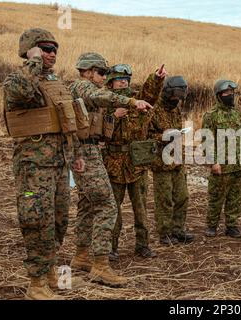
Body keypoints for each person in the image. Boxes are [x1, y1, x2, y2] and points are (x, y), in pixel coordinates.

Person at [3, 28, 85, 299]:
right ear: (31, 50)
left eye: (54, 49)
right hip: (33, 168)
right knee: (37, 221)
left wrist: (75, 157)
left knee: (59, 220)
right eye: (45, 48)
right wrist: (33, 62)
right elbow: (21, 91)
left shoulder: (55, 83)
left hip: (59, 164)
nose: (52, 53)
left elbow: (66, 124)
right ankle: (35, 282)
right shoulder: (19, 79)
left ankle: (50, 269)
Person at [69, 52, 151, 286]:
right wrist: (132, 101)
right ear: (87, 71)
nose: (104, 77)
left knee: (86, 204)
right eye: (102, 72)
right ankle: (101, 265)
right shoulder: (81, 86)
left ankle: (82, 255)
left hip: (87, 149)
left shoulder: (83, 89)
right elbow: (101, 96)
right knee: (106, 204)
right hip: (84, 152)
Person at [103, 63, 166, 260]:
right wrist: (113, 116)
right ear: (110, 83)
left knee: (141, 208)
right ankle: (111, 247)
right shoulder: (104, 103)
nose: (123, 82)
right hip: (113, 163)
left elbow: (149, 96)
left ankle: (142, 245)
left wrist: (156, 78)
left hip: (137, 163)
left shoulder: (136, 101)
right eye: (119, 79)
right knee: (113, 209)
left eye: (126, 79)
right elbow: (95, 131)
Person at [148, 76, 194, 245]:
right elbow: (146, 135)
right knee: (164, 200)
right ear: (167, 92)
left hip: (177, 159)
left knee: (183, 197)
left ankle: (178, 230)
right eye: (175, 96)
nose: (177, 100)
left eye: (180, 97)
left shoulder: (176, 108)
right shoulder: (154, 108)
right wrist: (164, 136)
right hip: (161, 162)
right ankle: (165, 233)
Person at [202, 79, 241, 238]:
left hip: (239, 165)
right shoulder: (211, 115)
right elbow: (206, 141)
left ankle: (232, 226)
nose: (230, 95)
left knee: (235, 197)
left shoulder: (238, 113)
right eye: (226, 93)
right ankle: (212, 226)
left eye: (232, 92)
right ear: (219, 95)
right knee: (216, 197)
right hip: (221, 165)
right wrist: (213, 162)